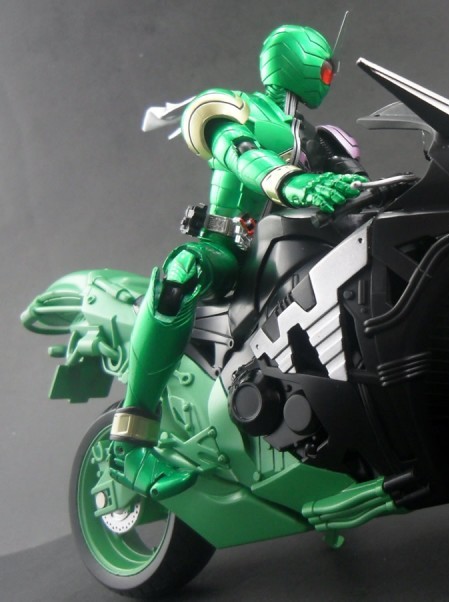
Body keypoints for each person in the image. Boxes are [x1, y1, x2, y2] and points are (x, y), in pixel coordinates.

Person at [108, 24, 367, 500]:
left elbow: (358, 187)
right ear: (296, 61)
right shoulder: (237, 108)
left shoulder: (319, 137)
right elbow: (241, 155)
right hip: (228, 252)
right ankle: (129, 443)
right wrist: (294, 184)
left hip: (294, 252)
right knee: (179, 275)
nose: (328, 78)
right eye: (324, 68)